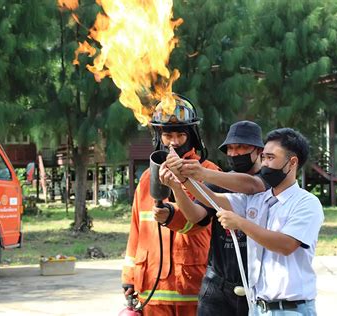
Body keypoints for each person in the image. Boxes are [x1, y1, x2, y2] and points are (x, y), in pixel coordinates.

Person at [167, 127, 324, 315]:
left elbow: (286, 244)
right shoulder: (258, 199)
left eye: (271, 158)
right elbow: (214, 199)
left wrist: (240, 223)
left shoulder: (306, 203)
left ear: (292, 163)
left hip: (290, 309)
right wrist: (183, 180)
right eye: (264, 157)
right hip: (258, 308)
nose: (264, 163)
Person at [121, 94, 219, 316]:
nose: (173, 142)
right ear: (159, 137)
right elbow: (136, 231)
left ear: (192, 137)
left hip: (193, 289)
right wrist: (129, 277)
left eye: (180, 135)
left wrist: (172, 214)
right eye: (167, 135)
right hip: (152, 291)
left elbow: (201, 223)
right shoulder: (147, 178)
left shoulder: (210, 173)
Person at [159, 120, 267, 316]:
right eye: (231, 148)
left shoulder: (269, 180)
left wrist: (200, 172)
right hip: (218, 286)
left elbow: (250, 185)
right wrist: (178, 185)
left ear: (259, 150)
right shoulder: (221, 181)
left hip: (259, 287)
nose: (235, 153)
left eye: (242, 147)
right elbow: (195, 215)